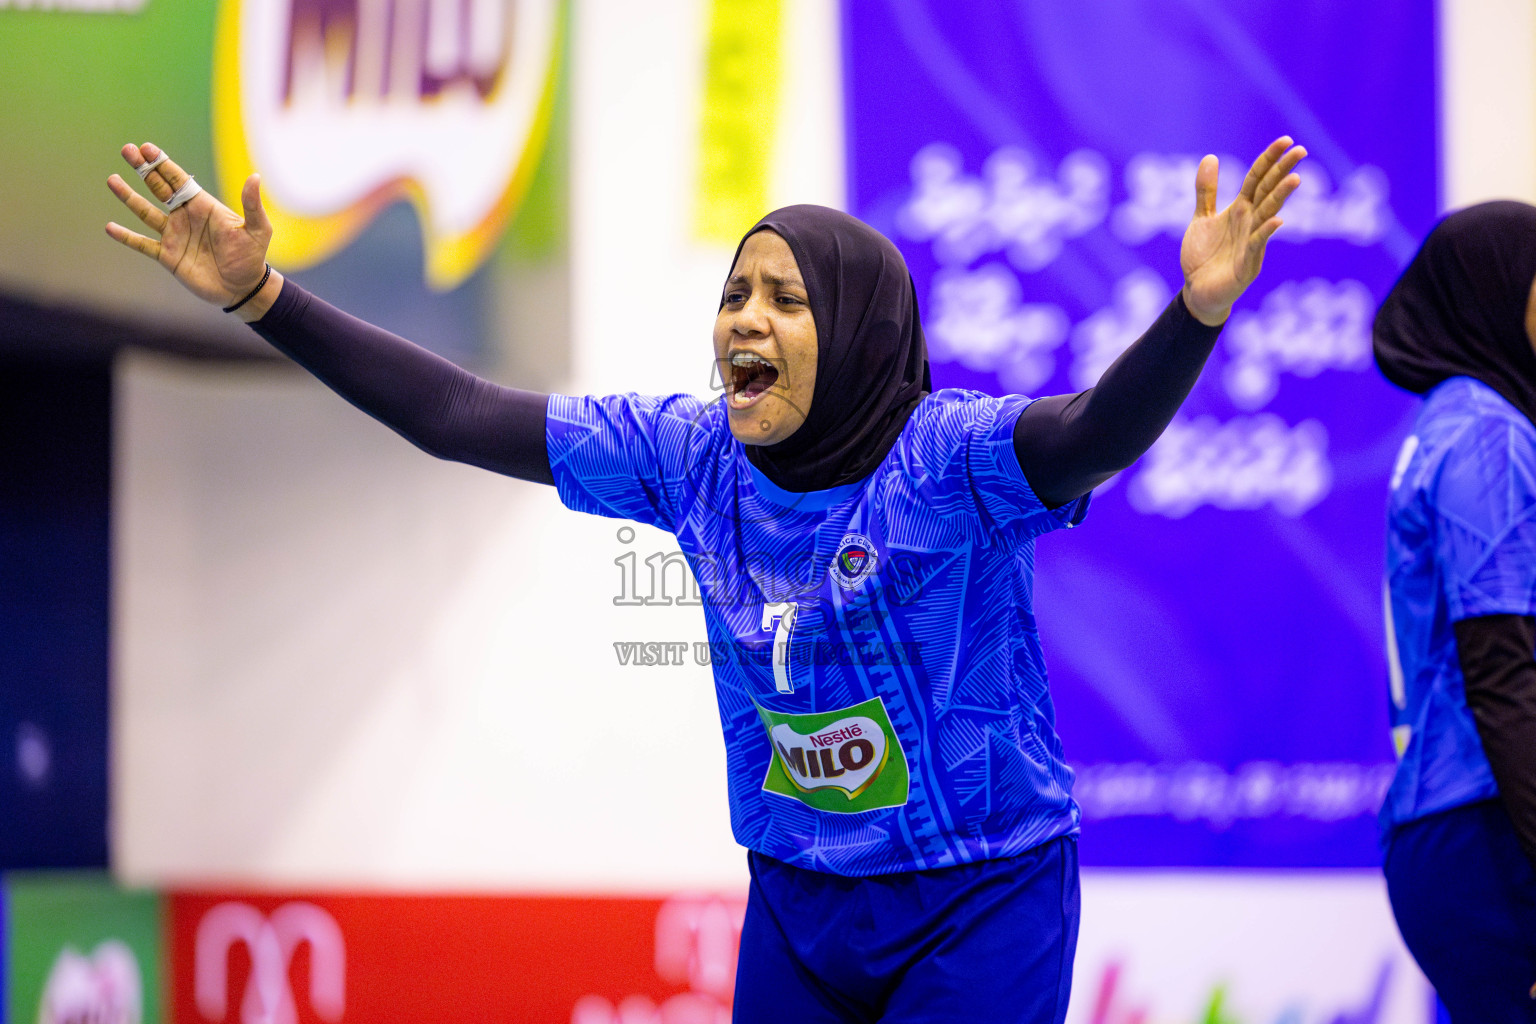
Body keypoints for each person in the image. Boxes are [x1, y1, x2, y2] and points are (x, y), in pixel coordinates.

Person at [107, 135, 1303, 1023]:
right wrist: (264, 298)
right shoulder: (689, 456)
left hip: (979, 896)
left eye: (786, 298)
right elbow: (459, 414)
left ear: (862, 334)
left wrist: (1196, 314)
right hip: (797, 898)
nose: (747, 317)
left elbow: (1092, 434)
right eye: (735, 292)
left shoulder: (949, 459)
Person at [1374, 201, 1536, 1022]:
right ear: (1499, 292)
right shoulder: (1485, 436)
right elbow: (1503, 673)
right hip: (1488, 826)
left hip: (1462, 826)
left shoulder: (1448, 424)